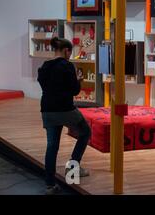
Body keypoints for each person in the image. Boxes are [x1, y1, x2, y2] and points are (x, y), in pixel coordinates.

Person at [37, 37, 91, 195]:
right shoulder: (67, 66)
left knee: (52, 146)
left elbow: (45, 86)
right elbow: (74, 90)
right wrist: (79, 81)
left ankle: (49, 185)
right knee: (85, 132)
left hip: (47, 110)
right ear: (66, 50)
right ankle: (73, 168)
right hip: (65, 110)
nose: (70, 55)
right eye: (70, 52)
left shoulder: (44, 67)